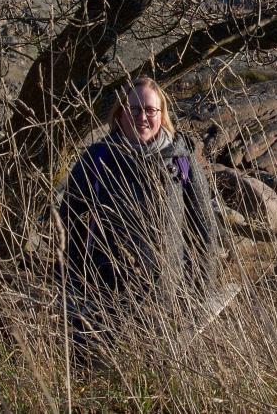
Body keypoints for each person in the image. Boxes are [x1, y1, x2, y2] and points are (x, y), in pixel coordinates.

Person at [58, 76, 220, 355]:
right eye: (134, 109)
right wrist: (74, 289)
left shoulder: (181, 159)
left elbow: (204, 232)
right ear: (120, 113)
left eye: (150, 110)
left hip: (167, 303)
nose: (142, 117)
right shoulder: (97, 159)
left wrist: (198, 295)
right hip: (103, 301)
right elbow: (68, 224)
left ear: (161, 114)